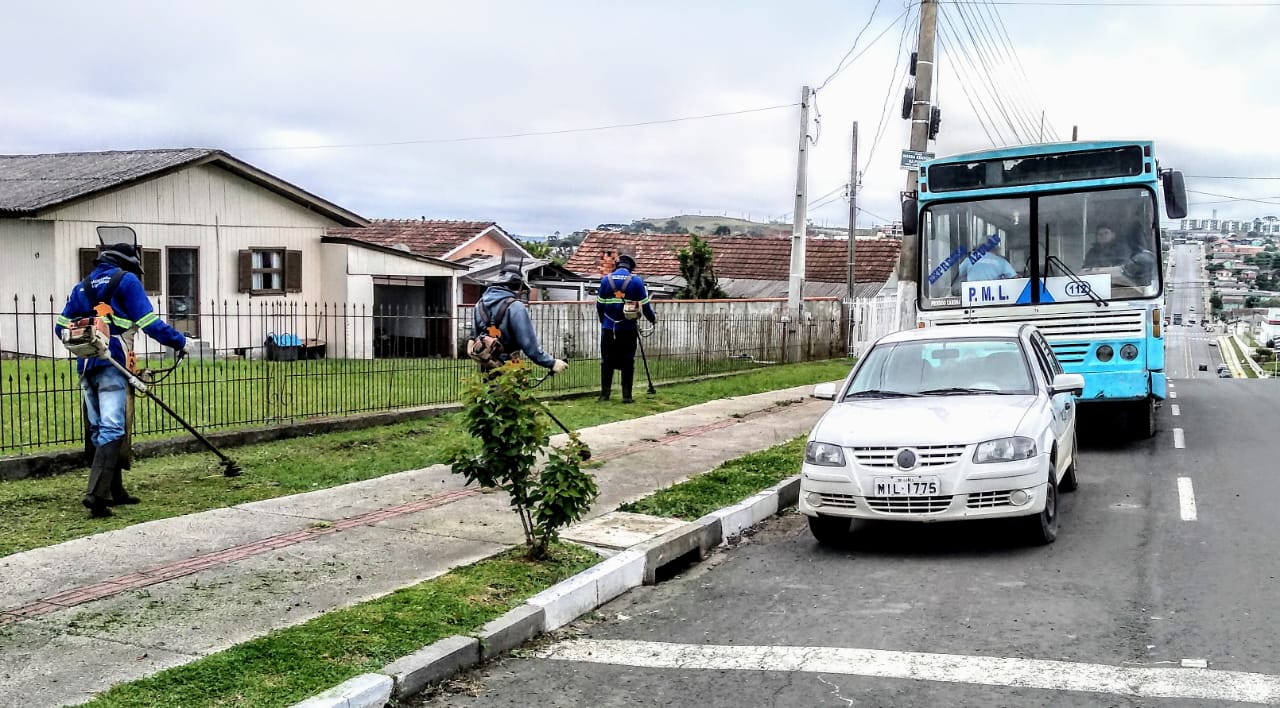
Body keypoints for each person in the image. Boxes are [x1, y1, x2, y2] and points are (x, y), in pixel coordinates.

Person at [54, 243, 192, 518]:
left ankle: (115, 492)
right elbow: (150, 322)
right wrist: (180, 341)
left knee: (98, 428)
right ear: (127, 264)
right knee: (114, 427)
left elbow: (60, 327)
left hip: (85, 365)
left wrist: (88, 340)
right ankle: (96, 495)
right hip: (113, 363)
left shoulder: (80, 287)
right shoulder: (126, 281)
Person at [472, 263, 568, 375]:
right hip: (509, 366)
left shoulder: (479, 304)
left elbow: (475, 336)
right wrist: (551, 362)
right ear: (518, 287)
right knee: (509, 392)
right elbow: (529, 345)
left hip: (487, 364)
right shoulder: (516, 307)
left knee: (488, 391)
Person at [596, 254, 657, 403]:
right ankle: (627, 397)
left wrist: (603, 322)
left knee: (607, 361)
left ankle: (605, 395)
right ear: (631, 267)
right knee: (627, 360)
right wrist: (653, 319)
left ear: (617, 265)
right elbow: (646, 306)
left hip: (608, 328)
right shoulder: (636, 281)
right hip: (628, 328)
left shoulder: (606, 280)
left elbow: (599, 306)